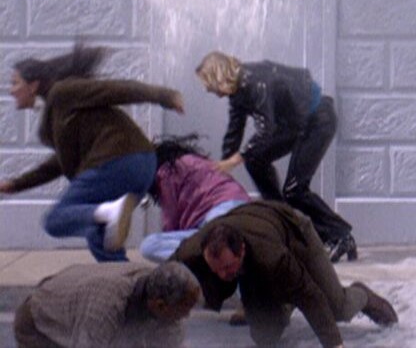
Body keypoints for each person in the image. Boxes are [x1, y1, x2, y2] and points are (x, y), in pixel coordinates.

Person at [0, 43, 184, 261]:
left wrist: (165, 96)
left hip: (118, 160)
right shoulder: (55, 114)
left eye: (15, 83)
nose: (11, 90)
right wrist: (15, 185)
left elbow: (116, 90)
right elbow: (58, 163)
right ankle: (123, 276)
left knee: (56, 219)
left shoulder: (63, 91)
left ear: (33, 85)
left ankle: (109, 211)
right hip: (140, 165)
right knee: (99, 234)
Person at [195, 51, 356, 262]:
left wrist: (234, 161)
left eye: (208, 83)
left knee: (294, 189)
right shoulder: (237, 92)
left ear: (218, 77)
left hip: (317, 120)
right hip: (295, 124)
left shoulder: (256, 83)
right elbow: (235, 129)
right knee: (255, 160)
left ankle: (340, 235)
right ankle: (283, 221)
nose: (207, 89)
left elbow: (266, 130)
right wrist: (223, 167)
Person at [173, 200, 397, 348]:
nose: (222, 275)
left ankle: (361, 294)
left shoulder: (272, 257)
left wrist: (335, 345)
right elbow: (161, 282)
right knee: (265, 337)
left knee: (336, 308)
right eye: (216, 269)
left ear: (241, 251)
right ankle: (285, 301)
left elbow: (310, 296)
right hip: (256, 233)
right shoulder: (190, 253)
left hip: (295, 232)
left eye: (228, 267)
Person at [13, 261, 199, 348]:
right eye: (183, 310)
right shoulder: (104, 308)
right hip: (39, 323)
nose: (186, 316)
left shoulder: (159, 294)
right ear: (160, 306)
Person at [140, 134, 251, 263]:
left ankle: (207, 259)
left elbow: (171, 223)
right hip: (243, 207)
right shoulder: (193, 160)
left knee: (149, 245)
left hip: (217, 212)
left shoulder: (166, 172)